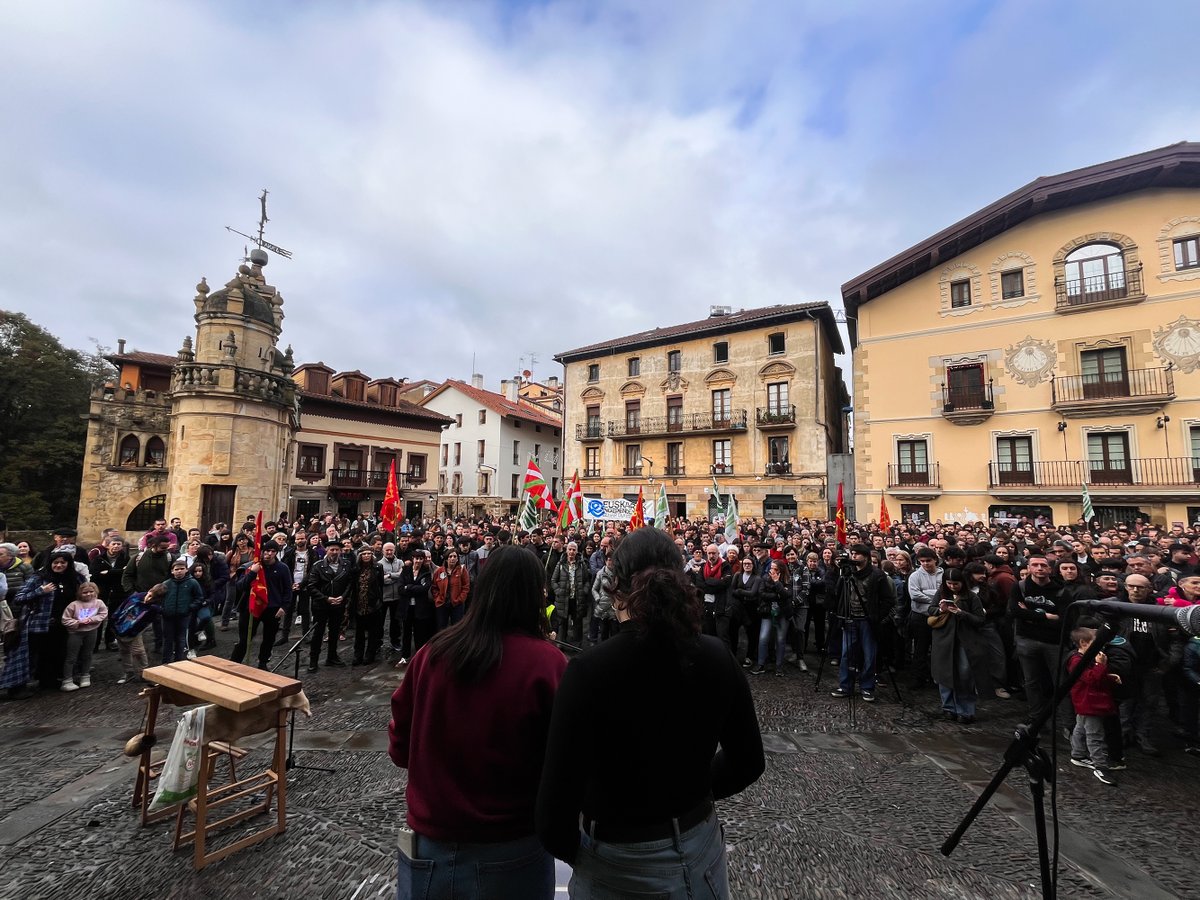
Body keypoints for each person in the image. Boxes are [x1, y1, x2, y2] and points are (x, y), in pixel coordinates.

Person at [536, 528, 765, 898]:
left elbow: (554, 810)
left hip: (615, 856)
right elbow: (749, 760)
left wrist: (587, 855)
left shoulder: (588, 670)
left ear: (618, 587)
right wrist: (691, 792)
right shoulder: (715, 655)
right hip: (697, 844)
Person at [389, 546, 567, 899]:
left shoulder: (432, 653)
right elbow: (562, 760)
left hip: (432, 842)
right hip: (512, 846)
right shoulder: (547, 664)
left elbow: (399, 745)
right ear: (535, 594)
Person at [829, 544, 895, 703]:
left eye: (857, 554)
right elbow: (837, 594)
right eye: (852, 553)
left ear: (865, 557)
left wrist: (877, 617)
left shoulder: (877, 575)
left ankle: (867, 687)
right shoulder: (847, 573)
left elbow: (888, 600)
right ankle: (845, 686)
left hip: (867, 620)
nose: (853, 557)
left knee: (869, 655)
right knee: (847, 654)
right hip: (849, 617)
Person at [929, 568, 987, 724]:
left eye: (956, 583)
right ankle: (948, 708)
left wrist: (961, 613)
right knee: (944, 673)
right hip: (944, 639)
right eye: (949, 583)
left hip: (965, 640)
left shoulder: (972, 597)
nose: (953, 586)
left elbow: (980, 620)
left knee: (964, 674)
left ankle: (965, 710)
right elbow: (931, 610)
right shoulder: (941, 594)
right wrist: (940, 609)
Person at [1068, 626, 1120, 785]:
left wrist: (1109, 677)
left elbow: (1092, 679)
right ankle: (1100, 766)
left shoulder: (1087, 658)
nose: (1101, 647)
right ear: (1083, 643)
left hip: (1087, 702)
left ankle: (1077, 754)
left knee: (1081, 727)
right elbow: (1091, 680)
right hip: (1090, 703)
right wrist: (1101, 666)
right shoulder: (1078, 661)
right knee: (1095, 735)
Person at [305, 540, 352, 671]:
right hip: (321, 605)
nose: (335, 552)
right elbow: (311, 586)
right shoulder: (318, 566)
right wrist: (326, 598)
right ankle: (313, 660)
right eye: (332, 550)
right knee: (318, 633)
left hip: (338, 604)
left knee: (335, 631)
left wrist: (343, 597)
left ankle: (332, 656)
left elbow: (349, 583)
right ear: (326, 550)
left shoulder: (346, 565)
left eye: (337, 550)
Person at [60, 582, 108, 690]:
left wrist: (91, 620)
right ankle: (67, 679)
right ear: (80, 593)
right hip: (75, 633)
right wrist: (78, 622)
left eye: (91, 592)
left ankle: (85, 675)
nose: (88, 594)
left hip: (92, 631)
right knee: (71, 656)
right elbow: (65, 619)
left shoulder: (99, 603)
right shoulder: (73, 605)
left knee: (88, 654)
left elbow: (103, 614)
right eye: (85, 592)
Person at [160, 558, 204, 664]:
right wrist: (163, 610)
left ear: (186, 569)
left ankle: (179, 662)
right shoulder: (166, 584)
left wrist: (190, 608)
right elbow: (159, 598)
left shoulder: (192, 583)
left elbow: (199, 598)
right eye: (176, 569)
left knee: (180, 640)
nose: (179, 571)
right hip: (167, 617)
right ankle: (165, 662)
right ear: (172, 571)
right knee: (168, 640)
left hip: (183, 616)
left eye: (182, 568)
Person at [346, 546, 385, 665]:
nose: (367, 556)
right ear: (360, 556)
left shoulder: (378, 568)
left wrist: (378, 601)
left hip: (373, 604)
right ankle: (358, 654)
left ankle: (370, 654)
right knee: (359, 632)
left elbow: (380, 585)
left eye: (369, 553)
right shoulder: (356, 569)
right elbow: (352, 586)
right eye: (364, 554)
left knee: (373, 632)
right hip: (359, 603)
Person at [753, 559, 792, 676]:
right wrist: (777, 595)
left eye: (775, 568)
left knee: (780, 640)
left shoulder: (787, 579)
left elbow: (787, 595)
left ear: (780, 569)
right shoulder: (765, 577)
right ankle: (760, 664)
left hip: (783, 612)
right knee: (763, 637)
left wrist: (777, 582)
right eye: (771, 567)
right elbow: (762, 593)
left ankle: (779, 667)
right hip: (768, 611)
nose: (772, 570)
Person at [432, 549, 470, 631]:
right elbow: (434, 587)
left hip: (457, 604)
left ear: (457, 559)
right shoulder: (439, 571)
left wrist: (460, 599)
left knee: (456, 628)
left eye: (455, 556)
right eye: (450, 556)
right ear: (446, 559)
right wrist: (437, 598)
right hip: (442, 604)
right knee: (441, 628)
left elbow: (466, 587)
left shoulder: (462, 570)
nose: (452, 558)